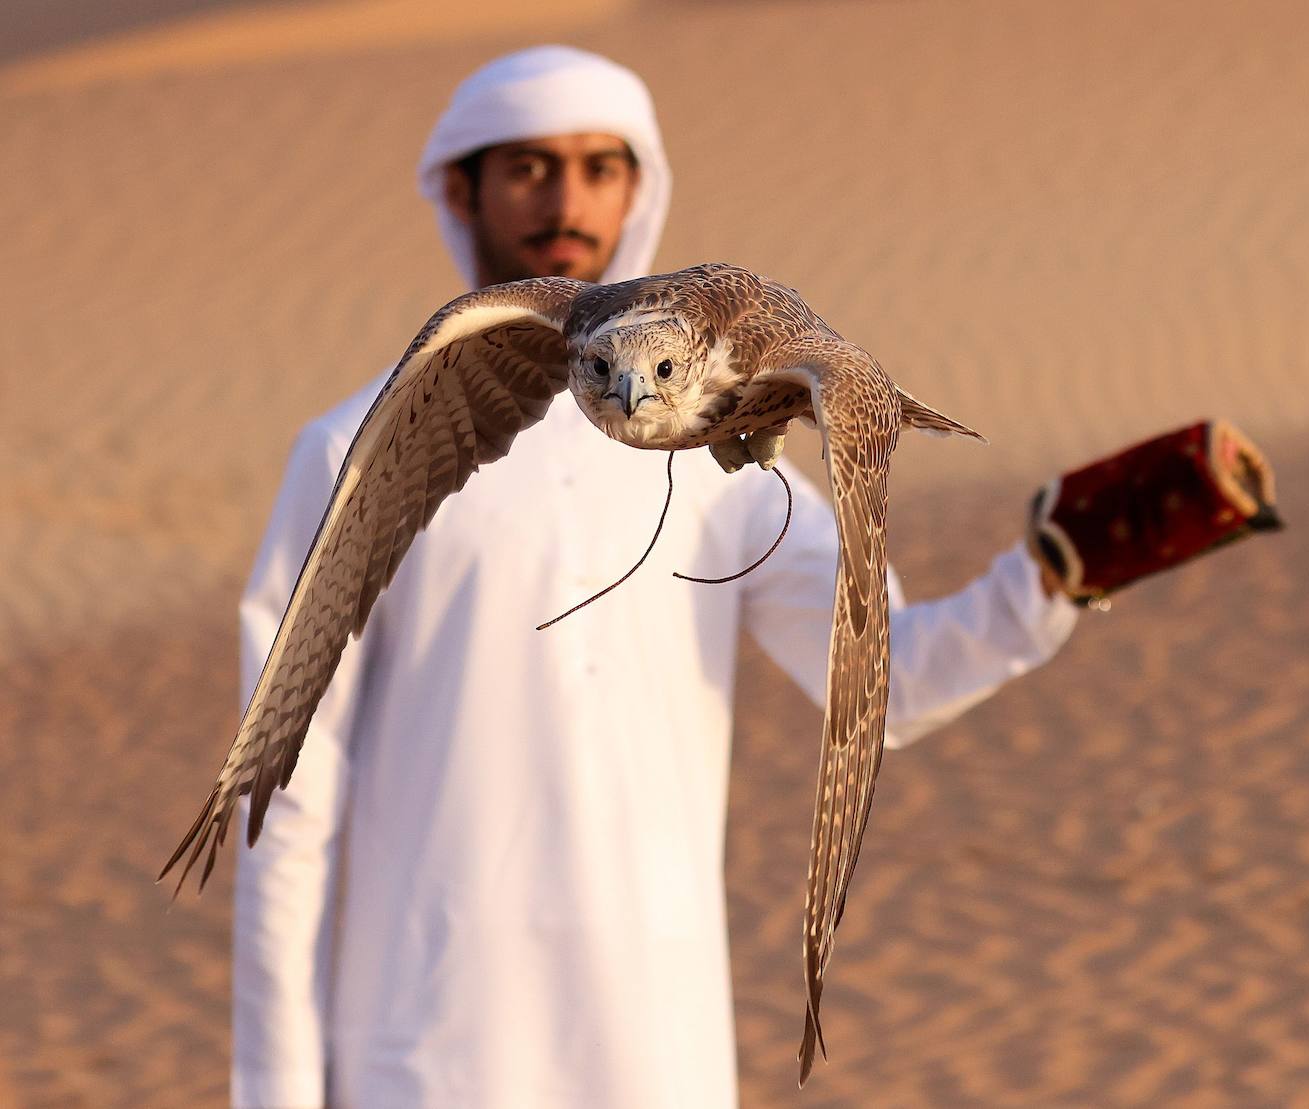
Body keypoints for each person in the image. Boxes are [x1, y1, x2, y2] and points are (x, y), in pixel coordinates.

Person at [231, 46, 1078, 1108]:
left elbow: (885, 680)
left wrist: (1051, 577)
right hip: (430, 1037)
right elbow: (290, 800)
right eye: (529, 168)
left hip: (655, 1034)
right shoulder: (350, 447)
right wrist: (273, 1086)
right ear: (462, 188)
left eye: (599, 166)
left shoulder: (725, 455)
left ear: (643, 186)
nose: (567, 199)